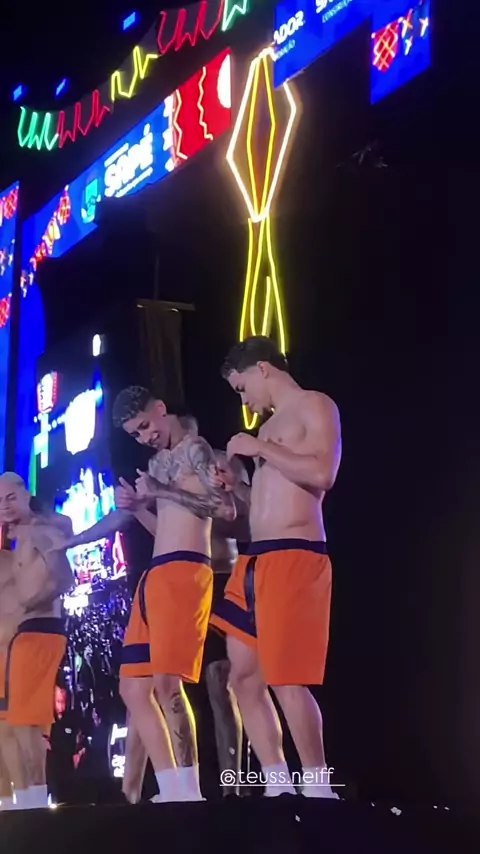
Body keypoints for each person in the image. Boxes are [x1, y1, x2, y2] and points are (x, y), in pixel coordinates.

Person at [63, 388, 236, 802]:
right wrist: (134, 508)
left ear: (160, 409)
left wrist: (159, 491)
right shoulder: (158, 463)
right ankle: (170, 787)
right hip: (156, 573)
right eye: (135, 435)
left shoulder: (196, 449)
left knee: (167, 685)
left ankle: (189, 792)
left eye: (144, 426)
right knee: (133, 688)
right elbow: (162, 527)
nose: (144, 437)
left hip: (187, 570)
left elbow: (224, 508)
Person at [210, 336, 342, 798]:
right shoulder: (265, 431)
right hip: (254, 560)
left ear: (262, 369)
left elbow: (323, 473)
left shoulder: (314, 405)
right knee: (243, 675)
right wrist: (236, 489)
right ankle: (277, 784)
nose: (244, 400)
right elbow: (266, 501)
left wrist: (260, 449)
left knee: (287, 678)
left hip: (294, 554)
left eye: (242, 388)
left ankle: (319, 785)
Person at [0, 472, 73, 809]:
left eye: (10, 498)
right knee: (14, 728)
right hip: (25, 637)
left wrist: (32, 599)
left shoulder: (39, 530)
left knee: (23, 726)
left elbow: (64, 575)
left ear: (25, 495)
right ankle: (20, 805)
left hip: (35, 633)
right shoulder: (20, 539)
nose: (5, 506)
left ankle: (32, 806)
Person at [0, 545, 26, 810]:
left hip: (9, 663)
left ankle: (26, 806)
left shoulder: (12, 563)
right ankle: (8, 807)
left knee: (9, 737)